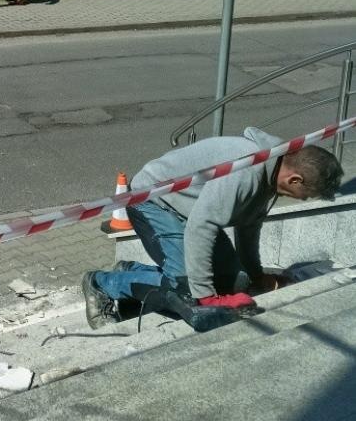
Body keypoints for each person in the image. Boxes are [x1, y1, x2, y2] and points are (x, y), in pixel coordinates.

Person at [81, 129, 341, 333]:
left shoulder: (271, 174)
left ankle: (132, 272)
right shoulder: (248, 168)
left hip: (190, 213)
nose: (303, 200)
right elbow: (201, 227)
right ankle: (101, 283)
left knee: (234, 281)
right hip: (152, 201)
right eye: (306, 195)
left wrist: (255, 275)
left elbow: (248, 227)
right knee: (186, 292)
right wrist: (205, 297)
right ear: (294, 180)